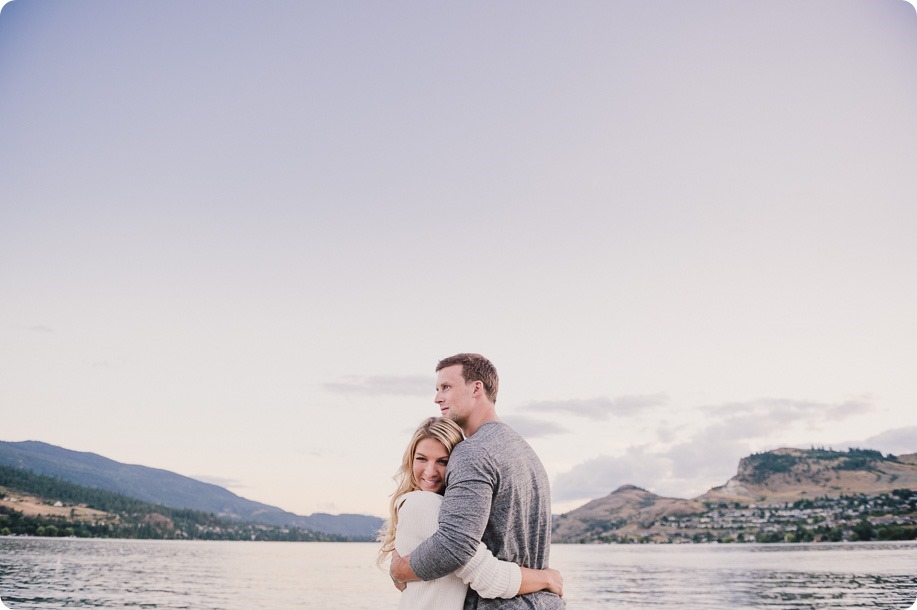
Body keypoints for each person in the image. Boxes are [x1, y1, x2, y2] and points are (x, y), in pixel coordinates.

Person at [390, 353, 565, 609]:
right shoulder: (526, 454)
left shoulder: (472, 452)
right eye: (438, 389)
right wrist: (545, 578)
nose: (438, 398)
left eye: (446, 387)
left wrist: (399, 570)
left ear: (476, 388)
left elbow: (454, 545)